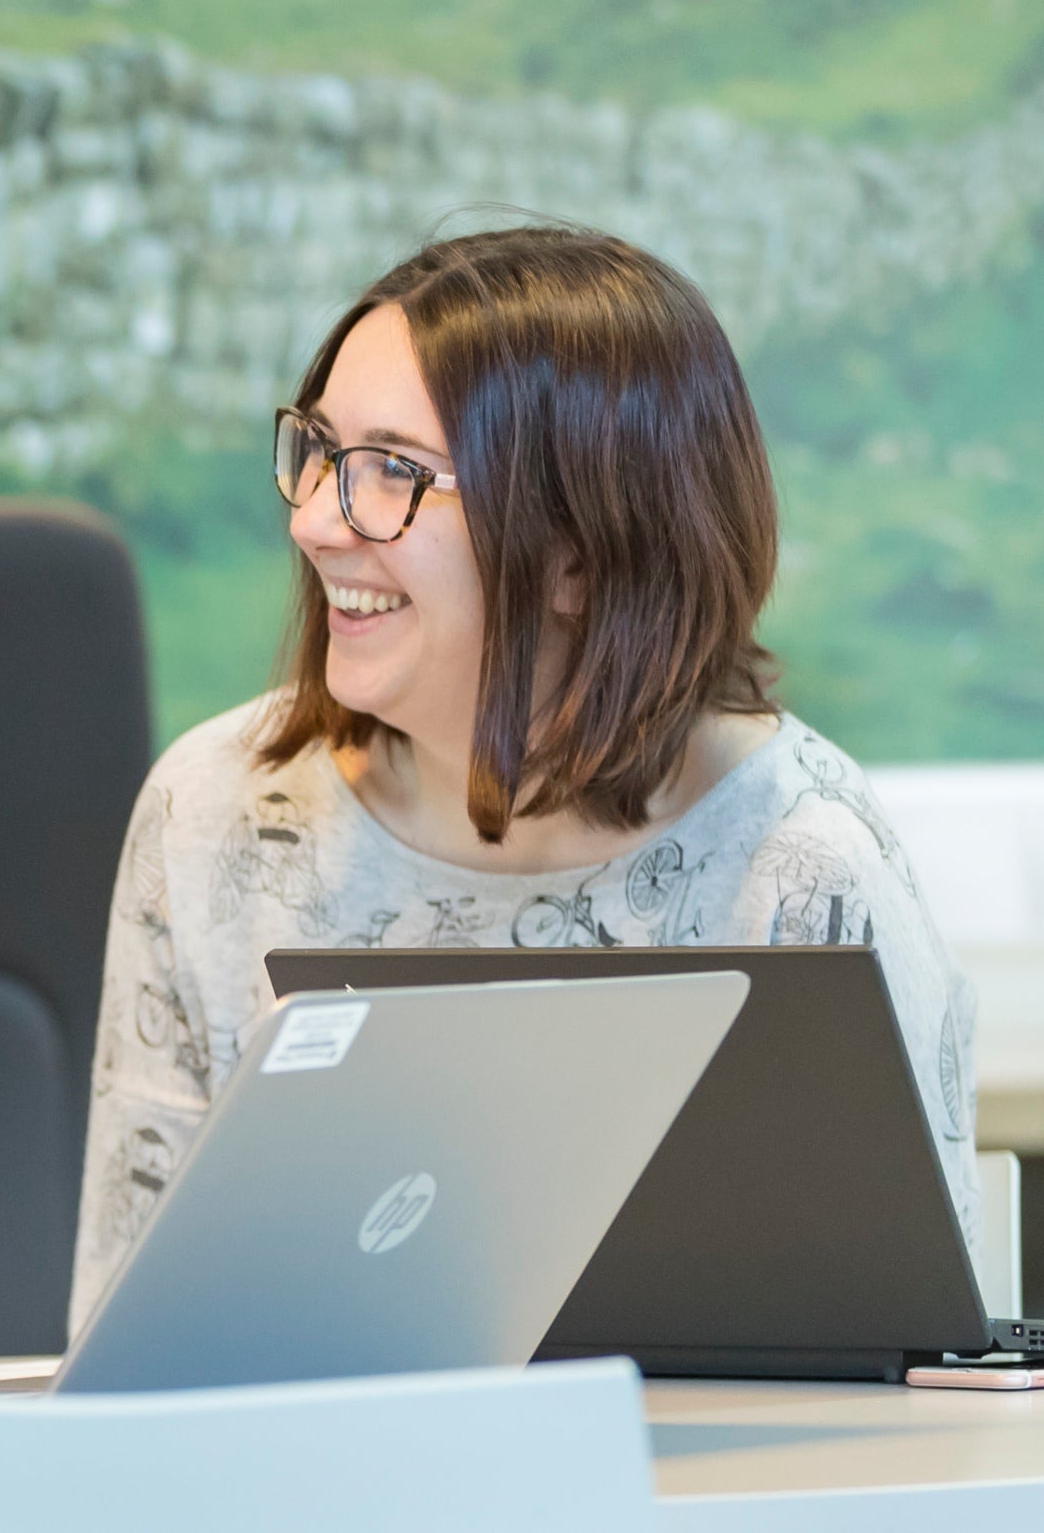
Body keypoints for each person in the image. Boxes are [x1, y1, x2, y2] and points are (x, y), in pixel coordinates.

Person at [69, 226, 977, 1330]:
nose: (311, 519)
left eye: (392, 474)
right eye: (315, 450)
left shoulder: (804, 868)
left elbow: (920, 1405)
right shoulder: (213, 810)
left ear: (582, 554)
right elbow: (127, 1352)